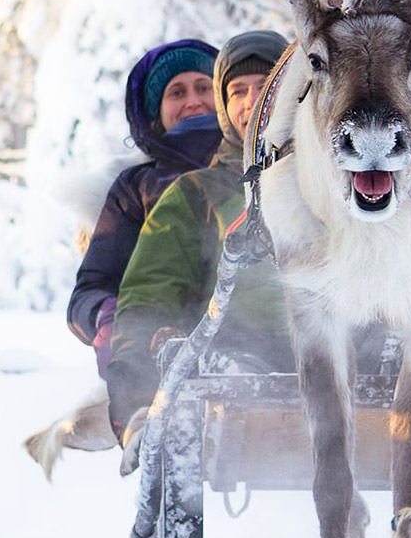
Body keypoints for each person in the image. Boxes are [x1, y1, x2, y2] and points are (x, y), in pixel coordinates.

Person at [103, 30, 292, 464]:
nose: (252, 102)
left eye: (267, 88)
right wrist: (133, 394)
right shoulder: (197, 194)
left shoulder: (334, 185)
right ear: (225, 110)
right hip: (242, 357)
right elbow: (150, 292)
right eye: (238, 91)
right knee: (223, 360)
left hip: (341, 350)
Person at [40, 39, 221, 461]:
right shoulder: (136, 189)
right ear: (154, 112)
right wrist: (109, 323)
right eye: (177, 92)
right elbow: (88, 292)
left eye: (203, 87)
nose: (193, 101)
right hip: (159, 352)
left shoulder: (265, 172)